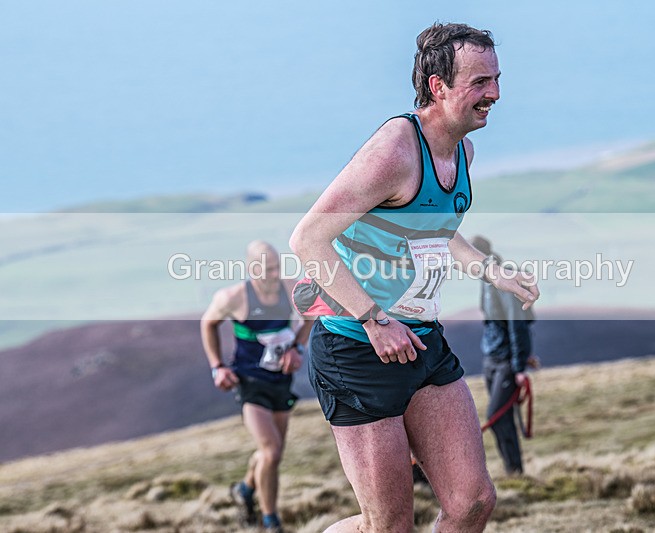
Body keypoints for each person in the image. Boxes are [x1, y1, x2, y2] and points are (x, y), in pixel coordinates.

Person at [289, 22, 540, 533]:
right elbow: (307, 240)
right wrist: (375, 321)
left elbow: (436, 231)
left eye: (496, 79)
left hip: (422, 344)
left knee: (472, 504)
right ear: (437, 86)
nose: (494, 93)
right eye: (479, 82)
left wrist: (493, 272)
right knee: (387, 527)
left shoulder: (463, 153)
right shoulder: (395, 151)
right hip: (356, 351)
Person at [200, 240, 311, 532]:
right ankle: (270, 520)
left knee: (270, 453)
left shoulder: (290, 287)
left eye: (276, 267)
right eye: (266, 269)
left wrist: (297, 348)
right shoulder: (234, 297)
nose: (273, 274)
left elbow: (313, 313)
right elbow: (208, 323)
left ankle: (246, 490)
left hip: (280, 381)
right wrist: (218, 367)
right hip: (250, 382)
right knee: (271, 451)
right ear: (251, 268)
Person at [471, 235, 537, 476]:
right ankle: (513, 470)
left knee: (496, 416)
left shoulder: (502, 277)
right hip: (492, 358)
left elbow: (517, 323)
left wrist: (519, 366)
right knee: (502, 417)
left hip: (506, 362)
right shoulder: (484, 279)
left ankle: (515, 470)